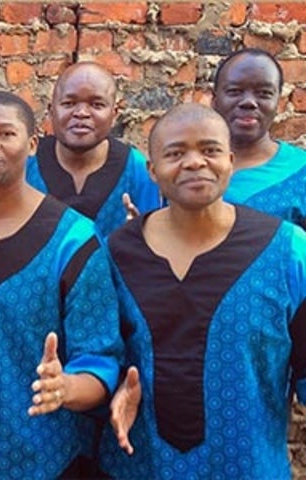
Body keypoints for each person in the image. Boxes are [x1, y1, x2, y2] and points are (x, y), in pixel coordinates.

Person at [0, 91, 121, 478]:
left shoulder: (73, 239)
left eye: (5, 133)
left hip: (44, 451)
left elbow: (101, 356)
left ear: (31, 145)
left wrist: (66, 387)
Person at [100, 103, 306, 479]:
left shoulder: (287, 250)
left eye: (209, 150)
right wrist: (110, 388)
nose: (195, 163)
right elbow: (99, 351)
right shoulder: (117, 253)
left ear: (230, 160)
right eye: (176, 153)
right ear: (152, 171)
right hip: (138, 465)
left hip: (249, 466)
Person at [26, 62, 160, 236]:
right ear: (51, 111)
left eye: (96, 105)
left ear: (115, 113)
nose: (81, 113)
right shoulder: (26, 164)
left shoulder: (136, 170)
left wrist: (136, 238)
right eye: (69, 103)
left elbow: (156, 238)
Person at [211, 48, 306, 228]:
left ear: (279, 103)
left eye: (264, 93)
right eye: (234, 91)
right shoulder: (186, 166)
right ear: (214, 100)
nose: (249, 102)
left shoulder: (300, 172)